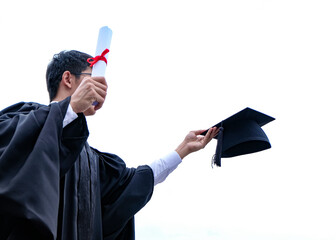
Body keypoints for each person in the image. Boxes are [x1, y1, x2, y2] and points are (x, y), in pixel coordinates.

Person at [0, 50, 218, 240]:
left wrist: (183, 150)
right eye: (93, 78)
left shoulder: (92, 161)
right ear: (68, 79)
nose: (101, 88)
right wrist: (71, 108)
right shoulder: (22, 123)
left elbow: (135, 183)